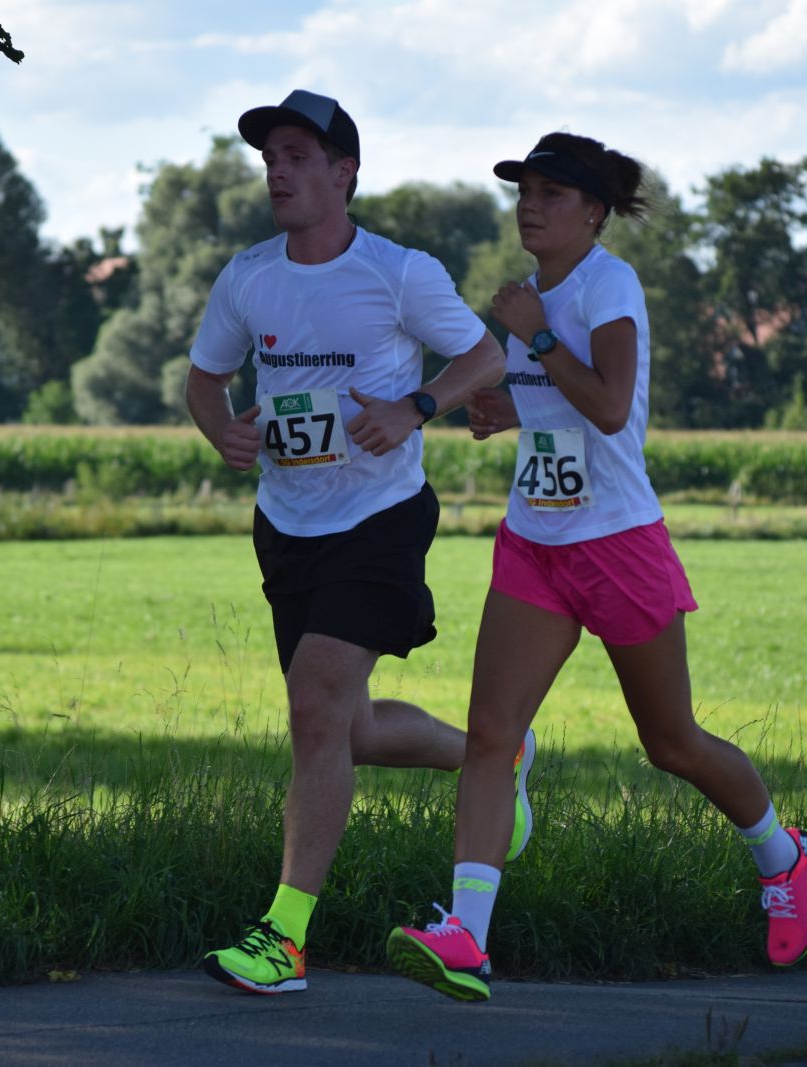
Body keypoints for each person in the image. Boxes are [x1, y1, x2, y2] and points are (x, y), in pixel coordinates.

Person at [385, 132, 807, 1002]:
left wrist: (536, 334)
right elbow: (561, 404)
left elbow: (613, 406)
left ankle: (784, 856)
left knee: (671, 742)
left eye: (550, 194)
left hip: (618, 543)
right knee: (490, 734)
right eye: (524, 191)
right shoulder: (534, 299)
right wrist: (506, 410)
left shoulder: (604, 285)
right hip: (534, 541)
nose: (529, 206)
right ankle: (466, 935)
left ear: (593, 212)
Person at [185, 90, 536, 996]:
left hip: (380, 519)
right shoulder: (249, 277)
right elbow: (204, 378)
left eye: (298, 157)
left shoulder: (399, 272)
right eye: (271, 158)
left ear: (344, 173)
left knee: (314, 709)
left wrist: (416, 405)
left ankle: (284, 938)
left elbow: (486, 357)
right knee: (347, 727)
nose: (279, 172)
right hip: (287, 523)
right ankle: (495, 754)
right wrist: (223, 432)